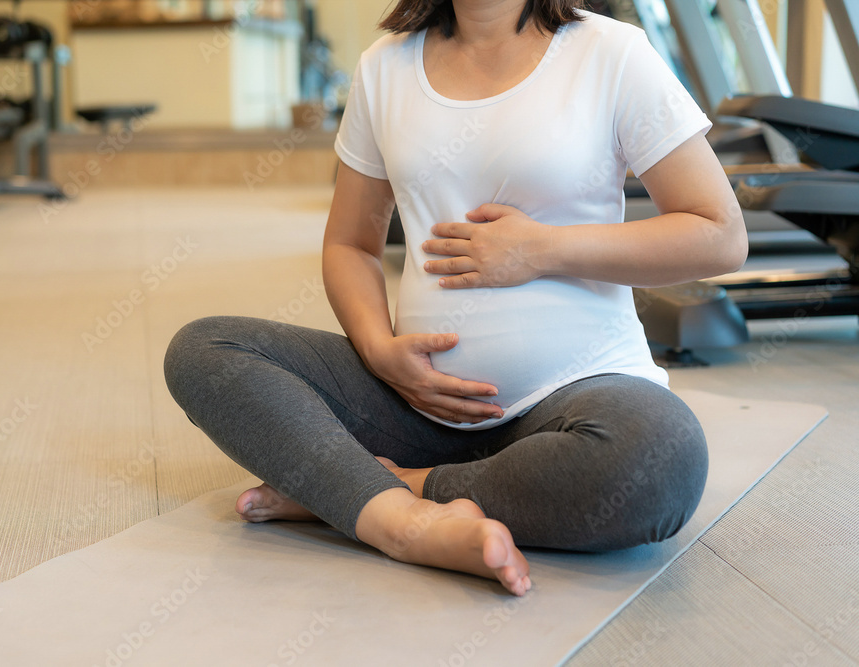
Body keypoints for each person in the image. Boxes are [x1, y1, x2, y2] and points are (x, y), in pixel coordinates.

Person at [164, 0, 748, 597]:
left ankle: (383, 489)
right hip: (412, 402)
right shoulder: (384, 67)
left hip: (579, 393)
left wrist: (542, 249)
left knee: (661, 458)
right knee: (205, 351)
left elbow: (719, 234)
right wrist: (377, 349)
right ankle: (398, 522)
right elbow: (351, 244)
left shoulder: (611, 52)